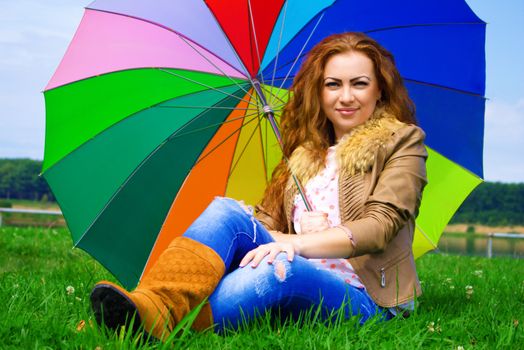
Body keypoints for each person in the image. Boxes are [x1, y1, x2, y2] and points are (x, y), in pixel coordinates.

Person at [90, 32, 427, 340]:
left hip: (365, 296)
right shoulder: (305, 154)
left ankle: (157, 320)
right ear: (319, 90)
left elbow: (379, 226)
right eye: (333, 84)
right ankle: (155, 304)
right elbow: (268, 224)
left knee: (282, 267)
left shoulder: (403, 142)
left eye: (360, 84)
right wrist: (263, 232)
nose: (346, 96)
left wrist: (299, 242)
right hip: (304, 266)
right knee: (227, 211)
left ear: (379, 88)